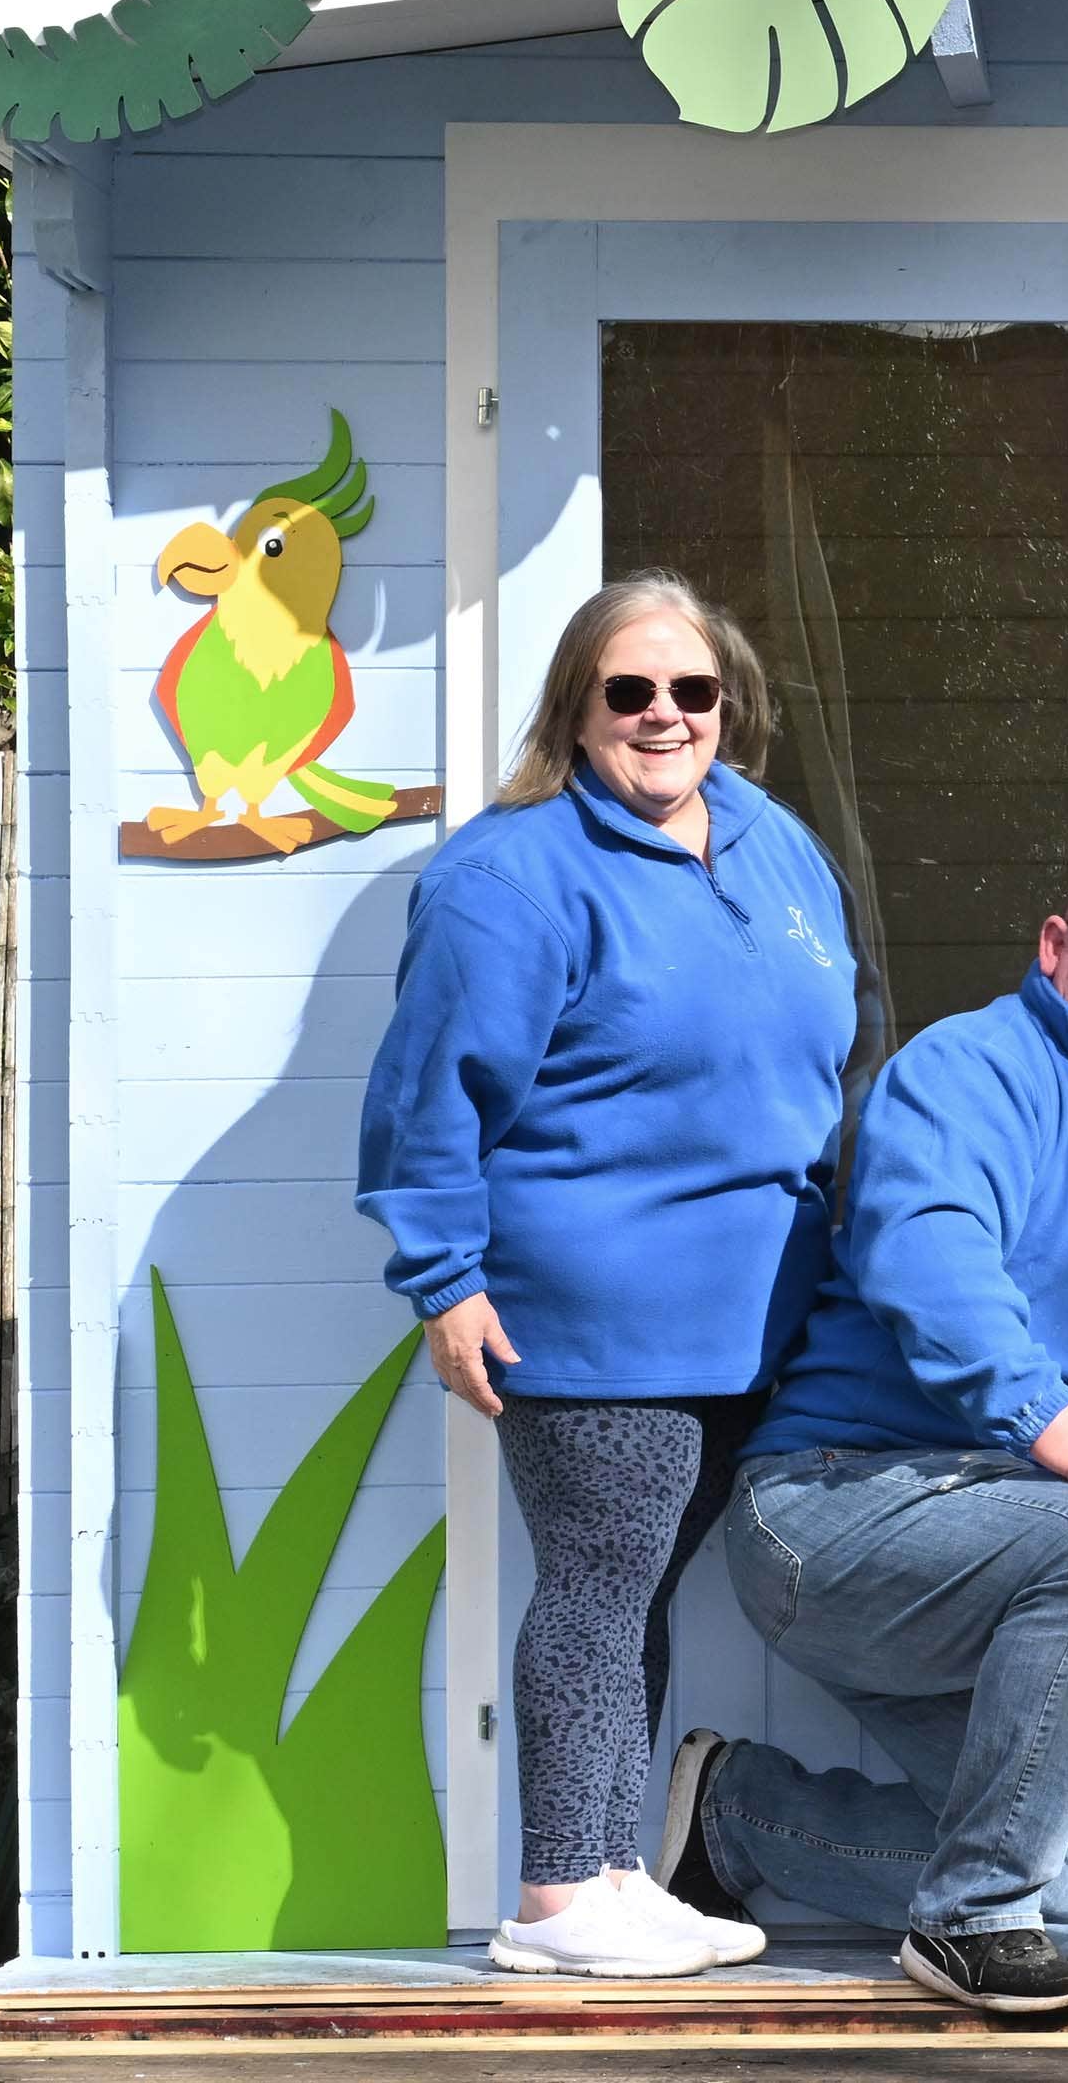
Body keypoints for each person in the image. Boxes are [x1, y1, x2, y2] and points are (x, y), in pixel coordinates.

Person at [651, 853, 1068, 2018]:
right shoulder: (967, 1070)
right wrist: (1057, 1429)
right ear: (1055, 947)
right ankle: (969, 1924)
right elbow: (931, 1254)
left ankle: (741, 1815)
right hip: (843, 1508)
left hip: (1040, 1569)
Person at [357, 574, 854, 1980]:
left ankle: (612, 1867)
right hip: (592, 1311)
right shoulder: (509, 876)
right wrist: (444, 1278)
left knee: (632, 1588)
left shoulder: (770, 841)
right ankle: (556, 1899)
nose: (661, 715)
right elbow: (424, 1098)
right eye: (627, 690)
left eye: (689, 690)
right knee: (595, 1582)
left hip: (751, 1309)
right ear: (575, 708)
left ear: (728, 704)